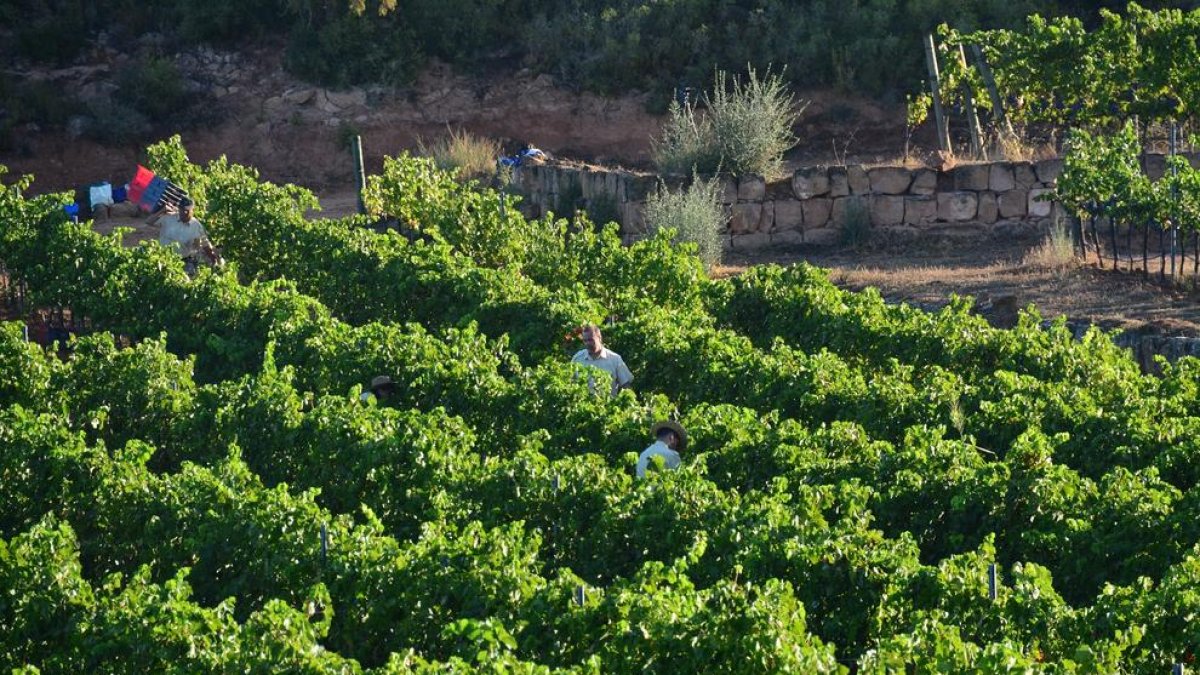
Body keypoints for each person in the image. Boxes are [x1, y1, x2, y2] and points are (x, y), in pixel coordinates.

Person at [147, 197, 219, 274]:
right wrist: (162, 210)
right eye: (182, 209)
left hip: (182, 262)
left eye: (187, 210)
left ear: (192, 210)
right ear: (179, 208)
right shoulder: (169, 217)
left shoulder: (196, 226)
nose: (184, 212)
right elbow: (149, 222)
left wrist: (214, 259)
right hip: (162, 258)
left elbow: (205, 244)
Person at [570, 323, 633, 396]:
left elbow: (626, 386)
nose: (587, 343)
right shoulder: (577, 359)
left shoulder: (615, 359)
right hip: (582, 406)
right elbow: (570, 385)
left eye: (590, 340)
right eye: (585, 340)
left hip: (608, 406)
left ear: (599, 338)